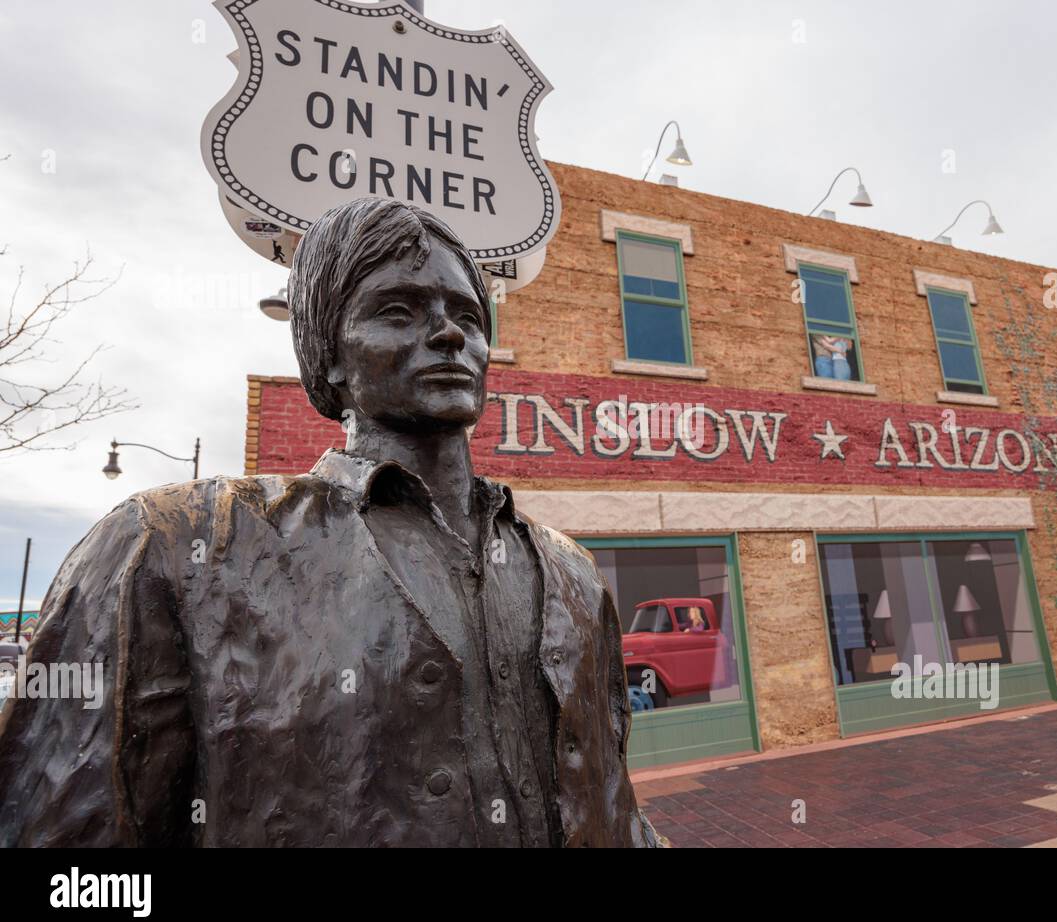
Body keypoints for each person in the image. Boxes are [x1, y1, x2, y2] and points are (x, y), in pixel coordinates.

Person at [0, 197, 659, 848]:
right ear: (330, 354)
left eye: (467, 314)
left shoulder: (571, 574)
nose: (451, 332)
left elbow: (616, 810)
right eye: (397, 310)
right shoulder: (174, 546)